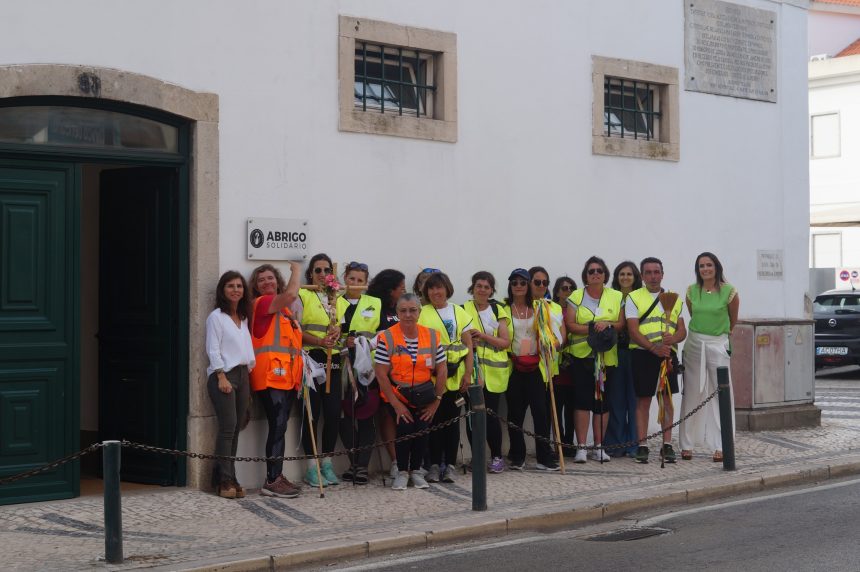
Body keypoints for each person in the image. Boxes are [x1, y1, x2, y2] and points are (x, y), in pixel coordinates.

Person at [375, 294, 448, 490]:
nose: (408, 314)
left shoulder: (432, 336)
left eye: (412, 310)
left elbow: (442, 369)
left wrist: (437, 400)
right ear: (397, 313)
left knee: (422, 429)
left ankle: (416, 471)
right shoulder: (388, 337)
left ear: (419, 312)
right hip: (398, 395)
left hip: (425, 395)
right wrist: (396, 404)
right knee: (405, 429)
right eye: (403, 310)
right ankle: (401, 472)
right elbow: (381, 374)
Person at [249, 262, 304, 498]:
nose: (267, 283)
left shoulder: (285, 311)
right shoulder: (261, 304)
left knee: (279, 427)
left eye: (270, 278)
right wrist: (297, 271)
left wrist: (322, 342)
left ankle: (277, 475)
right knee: (278, 426)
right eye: (261, 280)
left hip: (286, 377)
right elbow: (291, 294)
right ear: (256, 287)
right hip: (270, 376)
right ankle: (271, 480)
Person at [293, 253, 347, 487]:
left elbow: (341, 331)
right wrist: (318, 342)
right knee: (311, 413)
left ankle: (326, 462)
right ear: (310, 274)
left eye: (327, 270)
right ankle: (311, 467)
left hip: (332, 359)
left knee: (333, 413)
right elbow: (295, 329)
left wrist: (336, 335)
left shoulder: (338, 298)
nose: (323, 274)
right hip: (310, 358)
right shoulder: (302, 296)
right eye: (318, 270)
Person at [679, 252, 739, 462]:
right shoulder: (691, 291)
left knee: (720, 393)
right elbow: (694, 316)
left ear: (716, 267)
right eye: (701, 266)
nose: (705, 269)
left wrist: (721, 335)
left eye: (709, 265)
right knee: (692, 393)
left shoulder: (729, 292)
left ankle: (722, 445)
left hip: (718, 343)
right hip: (695, 343)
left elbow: (733, 320)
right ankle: (686, 444)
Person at [626, 257, 686, 464]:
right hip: (644, 354)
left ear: (662, 274)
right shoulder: (634, 298)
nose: (653, 276)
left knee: (667, 400)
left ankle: (667, 445)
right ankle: (642, 446)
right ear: (642, 276)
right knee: (643, 401)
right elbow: (633, 330)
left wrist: (673, 339)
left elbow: (682, 330)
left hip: (668, 355)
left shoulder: (674, 298)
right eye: (649, 272)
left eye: (656, 272)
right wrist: (653, 348)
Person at [564, 256, 624, 463]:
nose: (595, 273)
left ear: (605, 274)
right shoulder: (576, 296)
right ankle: (581, 446)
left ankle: (599, 446)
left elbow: (621, 323)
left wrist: (607, 323)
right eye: (591, 271)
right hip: (582, 357)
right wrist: (592, 328)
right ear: (586, 275)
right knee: (581, 402)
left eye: (599, 270)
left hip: (606, 359)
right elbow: (570, 324)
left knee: (603, 403)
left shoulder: (616, 296)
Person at [419, 271, 474, 483]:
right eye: (431, 288)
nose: (436, 292)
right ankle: (433, 465)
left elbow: (468, 346)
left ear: (447, 289)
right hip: (433, 378)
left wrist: (468, 373)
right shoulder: (422, 313)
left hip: (457, 375)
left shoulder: (458, 312)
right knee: (433, 423)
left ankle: (450, 465)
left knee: (452, 423)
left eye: (439, 287)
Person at [205, 271, 255, 499]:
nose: (236, 290)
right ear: (222, 290)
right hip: (224, 375)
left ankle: (231, 476)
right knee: (227, 428)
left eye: (239, 286)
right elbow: (213, 348)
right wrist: (221, 376)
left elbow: (245, 348)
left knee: (236, 429)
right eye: (230, 286)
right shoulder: (216, 317)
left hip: (243, 374)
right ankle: (223, 480)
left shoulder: (243, 317)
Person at [503, 268, 559, 471]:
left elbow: (551, 334)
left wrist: (548, 343)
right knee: (515, 413)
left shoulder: (539, 308)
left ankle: (544, 455)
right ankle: (518, 455)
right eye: (514, 282)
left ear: (528, 286)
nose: (519, 286)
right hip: (514, 366)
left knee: (541, 412)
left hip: (536, 366)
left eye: (523, 282)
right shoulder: (504, 309)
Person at [463, 271, 512, 473]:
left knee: (491, 417)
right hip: (471, 371)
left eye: (486, 286)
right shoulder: (463, 309)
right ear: (472, 288)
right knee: (472, 417)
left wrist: (482, 336)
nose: (482, 289)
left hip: (493, 374)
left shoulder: (498, 309)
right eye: (478, 286)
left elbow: (505, 341)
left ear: (491, 290)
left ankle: (497, 457)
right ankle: (477, 457)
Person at [338, 261, 382, 485]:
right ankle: (353, 461)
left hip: (367, 367)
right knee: (344, 416)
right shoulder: (333, 301)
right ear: (345, 278)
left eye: (360, 280)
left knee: (366, 415)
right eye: (351, 278)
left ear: (366, 283)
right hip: (341, 365)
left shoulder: (375, 303)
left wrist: (365, 343)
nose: (355, 283)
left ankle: (363, 466)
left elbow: (382, 334)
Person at [366, 269, 407, 477]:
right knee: (387, 415)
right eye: (401, 288)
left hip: (405, 371)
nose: (404, 291)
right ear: (391, 290)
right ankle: (395, 460)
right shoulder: (374, 307)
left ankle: (411, 459)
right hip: (381, 371)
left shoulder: (402, 309)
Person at [604, 262, 642, 458]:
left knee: (634, 400)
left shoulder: (641, 297)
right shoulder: (611, 297)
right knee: (615, 399)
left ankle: (635, 443)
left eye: (629, 274)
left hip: (637, 352)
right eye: (622, 274)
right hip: (616, 351)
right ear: (616, 277)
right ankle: (615, 444)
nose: (625, 277)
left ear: (635, 277)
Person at [551, 276, 578, 456]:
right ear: (557, 291)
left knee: (572, 408)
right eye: (563, 288)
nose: (567, 291)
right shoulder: (552, 310)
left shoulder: (578, 310)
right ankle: (559, 443)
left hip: (575, 364)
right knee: (556, 407)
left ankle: (570, 442)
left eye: (570, 288)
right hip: (557, 364)